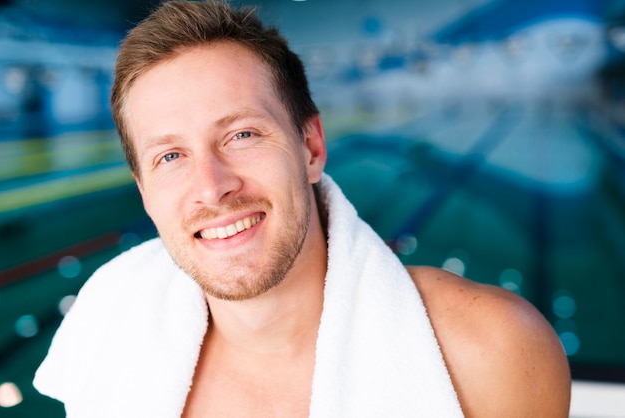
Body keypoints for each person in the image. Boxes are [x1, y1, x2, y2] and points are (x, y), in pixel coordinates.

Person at [34, 1, 571, 417]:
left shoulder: (490, 351)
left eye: (242, 134)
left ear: (311, 147)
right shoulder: (109, 324)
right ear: (145, 192)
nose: (212, 187)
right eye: (171, 155)